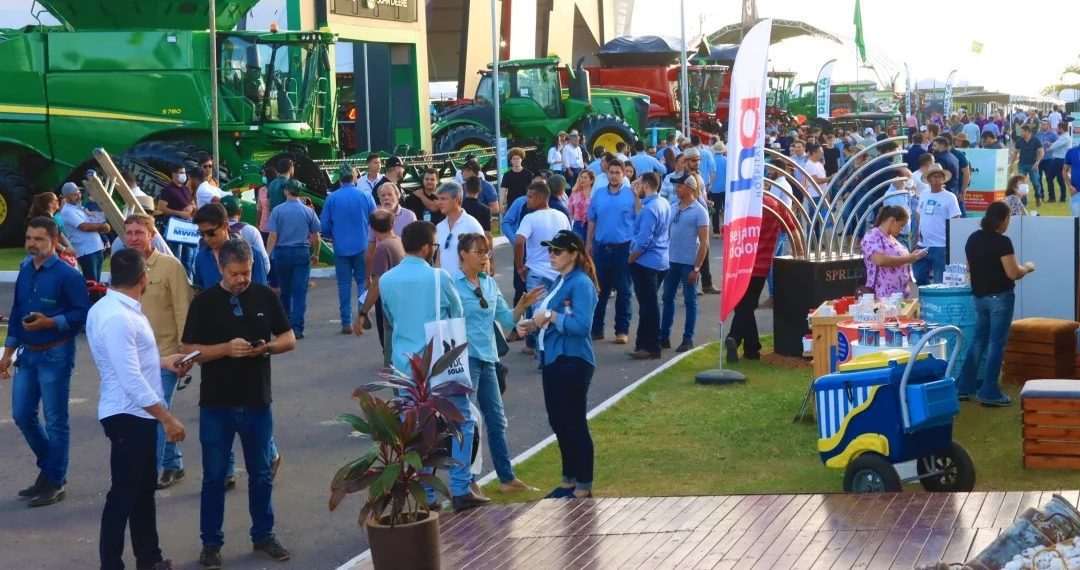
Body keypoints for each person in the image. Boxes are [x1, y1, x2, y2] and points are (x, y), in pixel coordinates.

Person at [181, 239, 296, 567]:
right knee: (214, 477)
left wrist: (267, 349)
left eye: (246, 272)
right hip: (216, 404)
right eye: (235, 274)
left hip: (257, 401)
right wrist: (225, 349)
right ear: (220, 268)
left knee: (261, 473)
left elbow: (288, 339)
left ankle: (264, 534)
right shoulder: (203, 303)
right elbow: (189, 349)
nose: (241, 279)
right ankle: (211, 543)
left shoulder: (263, 297)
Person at [87, 248, 192, 570]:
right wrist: (167, 418)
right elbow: (130, 377)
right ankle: (112, 564)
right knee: (124, 494)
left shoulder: (111, 308)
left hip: (133, 413)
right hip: (129, 414)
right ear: (143, 278)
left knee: (142, 491)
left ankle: (149, 557)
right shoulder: (119, 317)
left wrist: (164, 361)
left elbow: (131, 362)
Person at [379, 221, 486, 510]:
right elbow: (457, 312)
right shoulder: (440, 277)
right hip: (440, 363)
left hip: (404, 367)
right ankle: (461, 486)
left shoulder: (386, 280)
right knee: (461, 420)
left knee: (414, 431)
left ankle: (426, 494)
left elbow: (390, 317)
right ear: (428, 247)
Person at [0, 217, 89, 508]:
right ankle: (49, 468)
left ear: (53, 241)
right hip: (27, 353)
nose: (31, 244)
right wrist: (7, 354)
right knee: (22, 415)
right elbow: (16, 314)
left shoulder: (68, 275)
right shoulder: (25, 270)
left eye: (38, 239)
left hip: (56, 354)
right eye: (28, 238)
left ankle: (55, 480)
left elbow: (81, 315)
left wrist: (51, 322)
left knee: (55, 421)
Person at [453, 233, 541, 493]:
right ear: (463, 255)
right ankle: (466, 481)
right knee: (467, 422)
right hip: (466, 358)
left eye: (486, 252)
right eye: (478, 252)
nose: (484, 257)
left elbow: (505, 319)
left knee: (496, 419)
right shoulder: (453, 285)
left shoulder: (489, 284)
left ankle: (506, 477)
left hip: (488, 357)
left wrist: (522, 306)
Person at [516, 230, 598, 499]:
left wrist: (550, 316)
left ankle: (582, 483)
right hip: (554, 359)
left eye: (557, 251)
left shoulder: (580, 283)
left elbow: (581, 326)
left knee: (573, 421)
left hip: (572, 360)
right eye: (550, 250)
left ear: (573, 254)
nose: (551, 255)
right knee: (559, 421)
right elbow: (551, 317)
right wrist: (532, 324)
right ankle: (569, 479)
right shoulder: (560, 282)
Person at [120, 215, 194, 490]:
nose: (133, 238)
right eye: (129, 233)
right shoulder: (125, 266)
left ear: (152, 234)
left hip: (166, 355)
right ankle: (173, 465)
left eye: (139, 232)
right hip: (134, 357)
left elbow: (183, 310)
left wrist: (185, 354)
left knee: (154, 413)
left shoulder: (169, 267)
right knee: (149, 411)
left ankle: (152, 470)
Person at [959, 201, 1034, 407]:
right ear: (1002, 220)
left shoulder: (973, 239)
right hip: (1000, 297)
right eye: (1008, 218)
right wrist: (1026, 268)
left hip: (980, 297)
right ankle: (989, 389)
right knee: (996, 343)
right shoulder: (1003, 242)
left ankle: (964, 385)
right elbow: (1012, 272)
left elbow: (969, 268)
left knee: (978, 341)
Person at [321, 164, 377, 334]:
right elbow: (375, 220)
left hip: (340, 248)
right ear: (354, 177)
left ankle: (345, 322)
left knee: (344, 284)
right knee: (362, 282)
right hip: (362, 246)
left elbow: (324, 226)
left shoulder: (332, 198)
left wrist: (334, 235)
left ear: (339, 178)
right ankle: (362, 314)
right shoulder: (365, 196)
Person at [724, 200, 782, 363]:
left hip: (742, 264)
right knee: (746, 306)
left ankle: (735, 337)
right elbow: (791, 227)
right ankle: (751, 348)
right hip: (761, 266)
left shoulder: (743, 204)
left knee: (744, 306)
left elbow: (727, 231)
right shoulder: (775, 205)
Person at [586, 159, 636, 343]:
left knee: (623, 291)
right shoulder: (598, 194)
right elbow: (592, 220)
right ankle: (597, 329)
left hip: (623, 248)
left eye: (617, 172)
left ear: (624, 174)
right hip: (601, 247)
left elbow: (638, 221)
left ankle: (621, 330)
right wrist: (588, 243)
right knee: (599, 291)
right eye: (611, 172)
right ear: (607, 173)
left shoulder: (631, 195)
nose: (614, 176)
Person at [267, 180, 321, 339]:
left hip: (282, 253)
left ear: (286, 191)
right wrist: (316, 253)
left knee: (284, 291)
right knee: (299, 292)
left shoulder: (277, 211)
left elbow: (273, 235)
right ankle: (297, 328)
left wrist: (268, 255)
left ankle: (285, 326)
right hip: (301, 252)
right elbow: (316, 236)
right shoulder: (308, 211)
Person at [661, 172, 708, 353]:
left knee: (690, 301)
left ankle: (688, 338)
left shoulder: (699, 211)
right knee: (667, 298)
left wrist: (697, 267)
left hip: (688, 263)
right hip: (671, 261)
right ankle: (663, 336)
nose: (676, 188)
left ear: (690, 188)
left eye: (679, 186)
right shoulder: (674, 207)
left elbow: (704, 242)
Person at [627, 172, 670, 360]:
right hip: (660, 260)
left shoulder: (650, 209)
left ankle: (651, 345)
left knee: (648, 306)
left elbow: (643, 240)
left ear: (645, 185)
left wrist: (631, 258)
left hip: (646, 262)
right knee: (648, 304)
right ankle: (644, 343)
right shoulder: (663, 203)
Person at [353, 210, 405, 356]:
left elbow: (377, 285)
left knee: (390, 349)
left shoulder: (382, 248)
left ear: (372, 228)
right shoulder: (399, 241)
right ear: (393, 223)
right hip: (401, 302)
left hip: (391, 304)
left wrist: (363, 312)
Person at [860, 206, 925, 299]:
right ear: (892, 220)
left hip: (900, 295)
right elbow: (880, 260)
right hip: (883, 296)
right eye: (901, 225)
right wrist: (909, 258)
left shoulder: (891, 239)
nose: (901, 229)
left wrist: (912, 256)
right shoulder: (872, 236)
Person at [913, 164, 961, 285]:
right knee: (918, 277)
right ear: (928, 180)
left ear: (943, 179)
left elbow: (955, 219)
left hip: (941, 245)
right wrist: (917, 237)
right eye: (934, 177)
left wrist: (952, 243)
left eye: (939, 176)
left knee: (940, 281)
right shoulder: (924, 194)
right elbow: (918, 215)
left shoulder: (950, 197)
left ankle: (938, 303)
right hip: (923, 244)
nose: (937, 179)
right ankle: (924, 301)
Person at [58, 182, 109, 281]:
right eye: (74, 194)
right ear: (66, 197)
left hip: (95, 248)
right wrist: (102, 227)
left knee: (96, 282)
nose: (78, 196)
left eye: (79, 193)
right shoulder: (67, 211)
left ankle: (96, 296)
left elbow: (90, 222)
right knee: (92, 282)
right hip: (86, 251)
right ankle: (93, 297)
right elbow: (83, 227)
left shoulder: (79, 208)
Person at [434, 181, 485, 277]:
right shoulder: (439, 227)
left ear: (457, 200)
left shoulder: (472, 225)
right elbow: (439, 256)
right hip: (445, 286)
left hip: (466, 286)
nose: (439, 202)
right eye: (438, 199)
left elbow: (483, 258)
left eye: (443, 199)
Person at [157, 164, 197, 274]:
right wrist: (180, 213)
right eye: (180, 173)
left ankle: (188, 282)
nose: (183, 175)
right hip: (175, 228)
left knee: (188, 259)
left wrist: (192, 207)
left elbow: (192, 203)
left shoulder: (186, 189)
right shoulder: (168, 190)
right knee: (176, 257)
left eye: (184, 173)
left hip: (187, 227)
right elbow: (161, 208)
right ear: (174, 174)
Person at [221, 195, 270, 277]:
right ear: (240, 211)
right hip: (250, 282)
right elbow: (265, 264)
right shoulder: (251, 231)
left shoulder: (215, 231)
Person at [29, 192, 76, 264]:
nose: (58, 201)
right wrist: (65, 249)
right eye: (56, 200)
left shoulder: (51, 218)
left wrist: (70, 247)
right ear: (50, 204)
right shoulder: (46, 220)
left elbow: (60, 235)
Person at [1012, 125, 1044, 207]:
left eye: (1022, 131)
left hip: (1033, 165)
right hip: (1022, 165)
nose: (1021, 133)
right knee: (1022, 184)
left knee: (1036, 183)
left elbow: (1041, 152)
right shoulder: (1019, 141)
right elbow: (1015, 152)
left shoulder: (1036, 140)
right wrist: (1011, 163)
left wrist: (1037, 162)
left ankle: (1038, 197)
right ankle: (1024, 202)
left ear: (1028, 132)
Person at [1046, 122, 1072, 203]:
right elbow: (1056, 144)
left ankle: (1054, 198)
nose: (1056, 129)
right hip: (1059, 160)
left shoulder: (1065, 137)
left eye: (1058, 128)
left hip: (1060, 160)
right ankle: (1060, 198)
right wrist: (1051, 144)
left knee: (1053, 178)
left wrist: (1049, 147)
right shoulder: (1063, 136)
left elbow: (1055, 146)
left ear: (1061, 129)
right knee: (1058, 179)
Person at [567, 169, 594, 240]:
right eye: (581, 177)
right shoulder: (574, 193)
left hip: (592, 225)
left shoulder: (595, 195)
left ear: (591, 181)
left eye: (585, 178)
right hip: (577, 225)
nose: (582, 179)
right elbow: (570, 211)